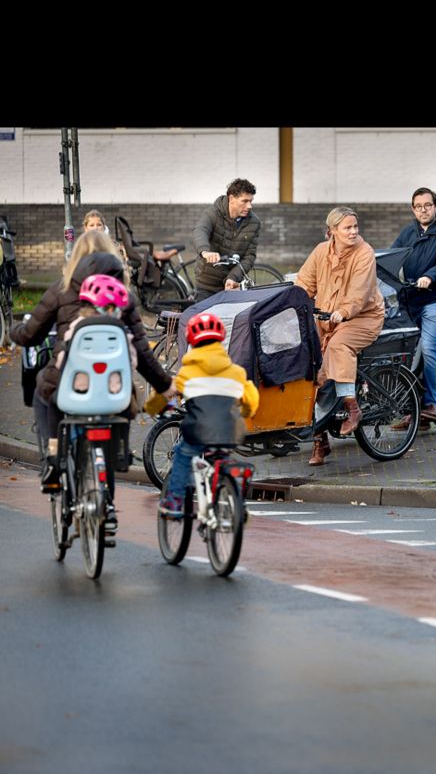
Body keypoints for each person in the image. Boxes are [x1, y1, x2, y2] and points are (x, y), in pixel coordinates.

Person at [10, 233, 175, 496]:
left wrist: (13, 331)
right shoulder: (124, 297)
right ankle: (120, 452)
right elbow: (142, 353)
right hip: (113, 390)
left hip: (69, 384)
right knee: (125, 394)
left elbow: (31, 334)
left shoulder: (60, 290)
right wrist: (165, 385)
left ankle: (53, 455)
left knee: (45, 390)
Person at [295, 207, 385, 464]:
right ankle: (319, 439)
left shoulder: (364, 253)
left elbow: (360, 292)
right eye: (347, 228)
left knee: (338, 346)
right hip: (327, 320)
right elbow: (304, 282)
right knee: (310, 365)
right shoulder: (321, 251)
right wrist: (293, 303)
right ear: (332, 231)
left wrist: (343, 311)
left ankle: (352, 408)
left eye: (355, 227)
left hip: (362, 318)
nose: (354, 232)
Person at [147, 312, 260, 519]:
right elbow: (250, 400)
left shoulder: (187, 373)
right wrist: (245, 412)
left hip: (198, 431)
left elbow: (166, 394)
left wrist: (152, 408)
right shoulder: (235, 372)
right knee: (222, 457)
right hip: (230, 432)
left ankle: (174, 502)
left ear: (191, 342)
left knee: (182, 455)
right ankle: (232, 495)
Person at [390, 188, 436, 426]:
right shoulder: (408, 232)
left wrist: (430, 276)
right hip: (411, 299)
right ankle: (415, 409)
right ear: (413, 209)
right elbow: (391, 257)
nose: (423, 210)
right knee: (402, 349)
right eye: (418, 206)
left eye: (427, 205)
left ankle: (435, 405)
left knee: (429, 345)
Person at [192, 178, 261, 300]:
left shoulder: (254, 222)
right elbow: (200, 230)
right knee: (205, 318)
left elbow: (249, 257)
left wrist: (232, 278)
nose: (249, 206)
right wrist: (205, 251)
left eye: (251, 201)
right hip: (206, 282)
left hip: (231, 285)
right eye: (244, 201)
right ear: (231, 198)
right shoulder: (212, 213)